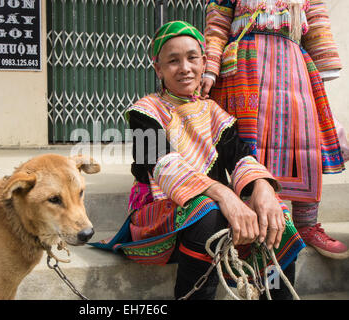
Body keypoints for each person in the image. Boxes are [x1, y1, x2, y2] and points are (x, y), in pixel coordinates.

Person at [91, 21, 305, 300]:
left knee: (275, 216)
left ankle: (275, 291)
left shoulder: (215, 113)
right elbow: (162, 165)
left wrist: (263, 188)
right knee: (208, 213)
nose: (184, 68)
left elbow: (240, 157)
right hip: (161, 214)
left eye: (192, 58)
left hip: (212, 209)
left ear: (204, 62)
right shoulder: (144, 112)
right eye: (173, 61)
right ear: (159, 69)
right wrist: (225, 196)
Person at [201, 0, 348, 259]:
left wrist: (321, 77)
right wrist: (210, 69)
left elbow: (316, 27)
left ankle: (306, 224)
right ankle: (249, 224)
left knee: (304, 144)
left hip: (294, 65)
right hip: (244, 67)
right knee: (248, 143)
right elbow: (217, 26)